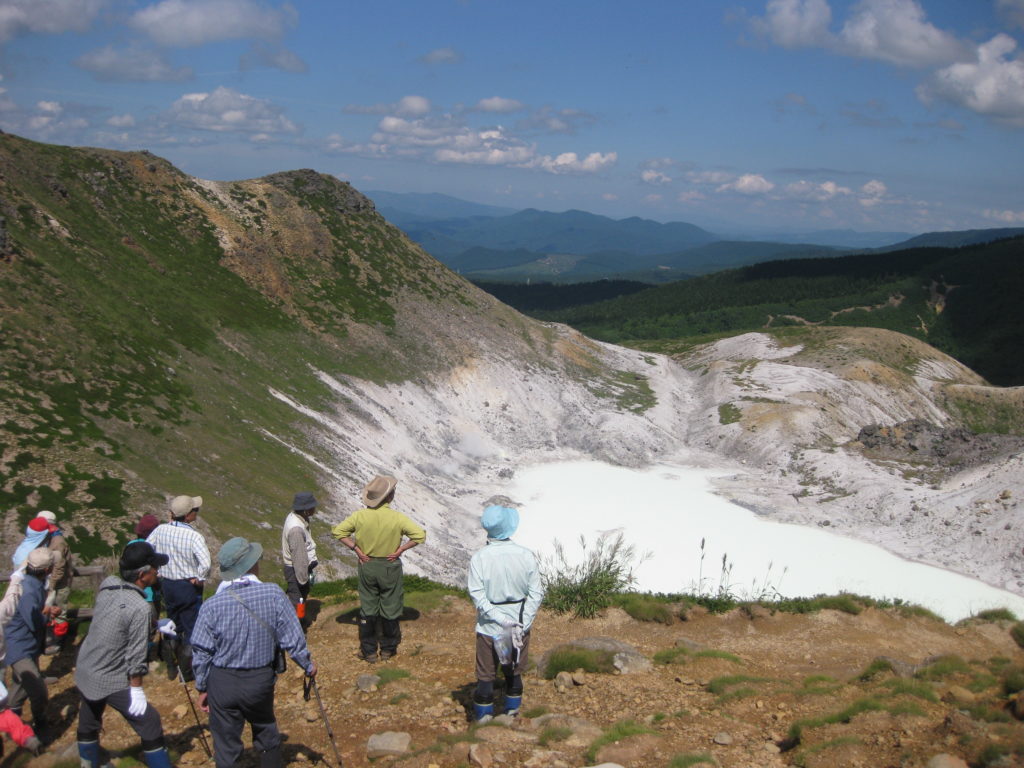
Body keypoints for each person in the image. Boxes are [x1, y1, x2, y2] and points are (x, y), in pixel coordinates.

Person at [191, 537, 317, 768]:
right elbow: (292, 637)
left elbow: (201, 651)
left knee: (226, 744)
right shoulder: (273, 594)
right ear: (251, 566)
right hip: (259, 679)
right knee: (266, 730)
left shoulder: (211, 605)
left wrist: (202, 686)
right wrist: (307, 665)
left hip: (222, 681)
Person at [74, 542, 172, 768]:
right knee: (150, 721)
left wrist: (155, 624)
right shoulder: (140, 608)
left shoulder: (108, 585)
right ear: (142, 575)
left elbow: (118, 618)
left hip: (86, 666)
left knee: (90, 715)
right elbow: (136, 656)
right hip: (110, 675)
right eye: (154, 568)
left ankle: (88, 762)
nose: (157, 571)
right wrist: (136, 690)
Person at [331, 475, 426, 662]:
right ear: (389, 497)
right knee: (390, 606)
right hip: (389, 565)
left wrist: (356, 549)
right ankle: (388, 649)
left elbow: (338, 532)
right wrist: (400, 550)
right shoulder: (397, 518)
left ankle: (369, 650)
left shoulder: (359, 516)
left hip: (367, 564)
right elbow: (419, 535)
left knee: (368, 607)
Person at [467, 504, 543, 723]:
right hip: (518, 624)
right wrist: (524, 622)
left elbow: (477, 595)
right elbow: (536, 593)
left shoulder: (480, 558)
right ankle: (511, 714)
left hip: (489, 627)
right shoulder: (525, 556)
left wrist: (499, 618)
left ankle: (484, 720)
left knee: (486, 676)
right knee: (514, 671)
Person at [146, 494, 210, 680]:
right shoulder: (194, 536)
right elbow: (205, 564)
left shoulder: (160, 530)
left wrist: (157, 571)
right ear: (189, 515)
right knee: (192, 627)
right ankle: (187, 672)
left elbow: (147, 549)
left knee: (172, 624)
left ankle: (171, 666)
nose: (197, 513)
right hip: (187, 586)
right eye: (195, 510)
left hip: (167, 585)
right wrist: (199, 578)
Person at [2, 548, 57, 740]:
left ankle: (11, 722)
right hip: (20, 647)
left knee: (20, 686)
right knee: (37, 689)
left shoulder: (30, 583)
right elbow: (34, 621)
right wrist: (48, 613)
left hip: (24, 644)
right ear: (47, 569)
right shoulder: (30, 590)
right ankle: (40, 724)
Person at [38, 511, 72, 655]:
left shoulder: (57, 541)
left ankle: (57, 642)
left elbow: (59, 567)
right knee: (51, 610)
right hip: (52, 581)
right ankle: (51, 638)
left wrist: (51, 585)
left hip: (60, 584)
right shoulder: (51, 537)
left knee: (59, 612)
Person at [281, 492, 318, 623]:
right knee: (297, 599)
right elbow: (299, 557)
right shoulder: (296, 529)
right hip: (296, 569)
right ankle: (296, 626)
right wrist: (303, 579)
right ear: (306, 510)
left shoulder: (297, 518)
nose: (315, 509)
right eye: (312, 507)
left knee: (300, 597)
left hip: (297, 567)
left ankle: (299, 621)